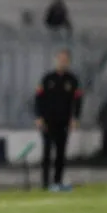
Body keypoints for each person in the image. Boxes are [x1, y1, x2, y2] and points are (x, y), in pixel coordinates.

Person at [34, 49, 83, 191]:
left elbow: (78, 101)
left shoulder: (72, 80)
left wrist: (75, 118)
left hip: (64, 121)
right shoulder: (48, 79)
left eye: (65, 60)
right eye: (60, 59)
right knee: (47, 152)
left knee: (61, 153)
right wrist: (39, 116)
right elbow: (38, 99)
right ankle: (45, 183)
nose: (62, 62)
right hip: (48, 121)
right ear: (56, 60)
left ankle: (58, 181)